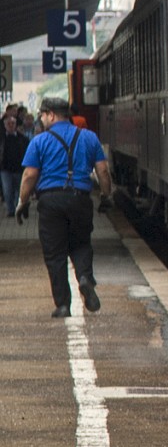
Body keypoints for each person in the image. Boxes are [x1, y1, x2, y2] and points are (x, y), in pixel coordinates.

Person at [16, 96, 113, 318]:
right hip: (80, 199)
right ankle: (85, 278)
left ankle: (63, 305)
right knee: (80, 244)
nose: (41, 118)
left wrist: (22, 202)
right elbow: (103, 171)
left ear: (51, 115)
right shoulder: (89, 137)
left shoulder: (39, 141)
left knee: (55, 254)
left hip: (50, 203)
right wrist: (107, 196)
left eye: (42, 114)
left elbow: (30, 175)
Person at [0, 111, 29, 216]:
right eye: (8, 124)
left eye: (13, 124)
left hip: (19, 168)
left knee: (19, 190)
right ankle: (10, 210)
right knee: (7, 191)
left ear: (16, 125)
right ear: (5, 126)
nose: (11, 126)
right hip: (5, 169)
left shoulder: (23, 139)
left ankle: (18, 208)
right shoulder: (2, 139)